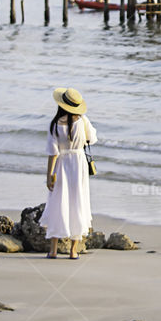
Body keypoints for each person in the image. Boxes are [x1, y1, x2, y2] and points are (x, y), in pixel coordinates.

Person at [40, 88, 97, 260]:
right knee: (78, 202)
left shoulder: (55, 125)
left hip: (62, 164)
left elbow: (53, 153)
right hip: (78, 164)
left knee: (58, 202)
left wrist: (49, 175)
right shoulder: (83, 120)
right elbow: (92, 138)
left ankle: (53, 250)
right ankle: (73, 250)